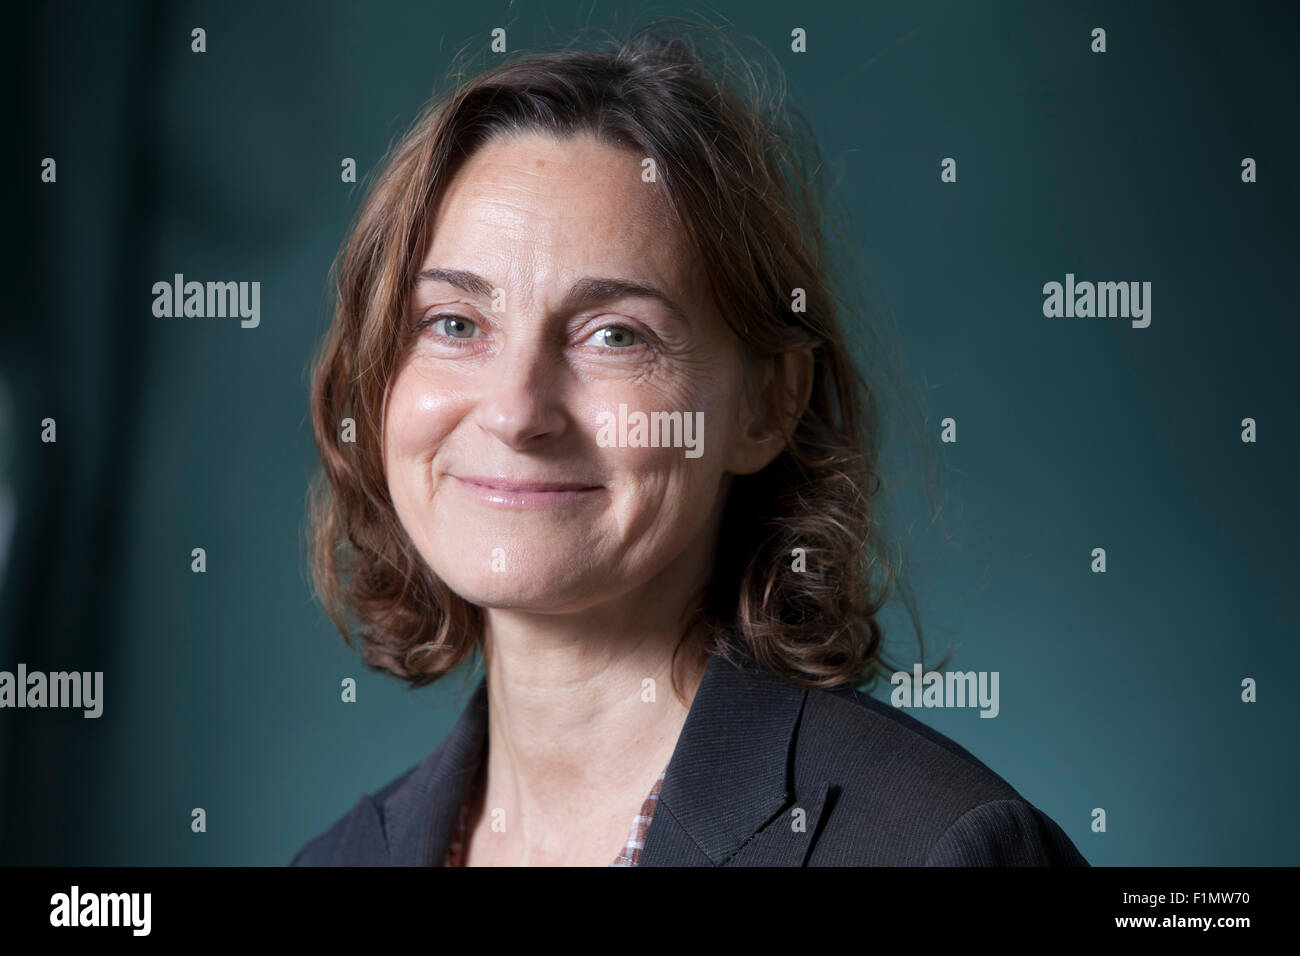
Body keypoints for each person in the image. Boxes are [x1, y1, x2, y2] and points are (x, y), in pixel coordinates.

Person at [291, 25, 1088, 867]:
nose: (518, 411)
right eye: (454, 323)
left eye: (614, 336)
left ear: (766, 406)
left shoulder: (942, 850)